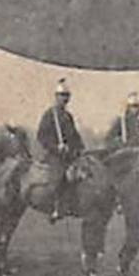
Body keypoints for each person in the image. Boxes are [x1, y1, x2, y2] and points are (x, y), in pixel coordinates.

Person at [36, 78, 85, 221]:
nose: (64, 99)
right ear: (56, 97)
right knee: (59, 177)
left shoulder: (68, 116)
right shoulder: (50, 115)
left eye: (66, 96)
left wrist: (80, 147)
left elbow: (74, 135)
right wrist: (56, 147)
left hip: (70, 155)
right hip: (55, 155)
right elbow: (42, 136)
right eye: (62, 96)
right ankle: (56, 208)